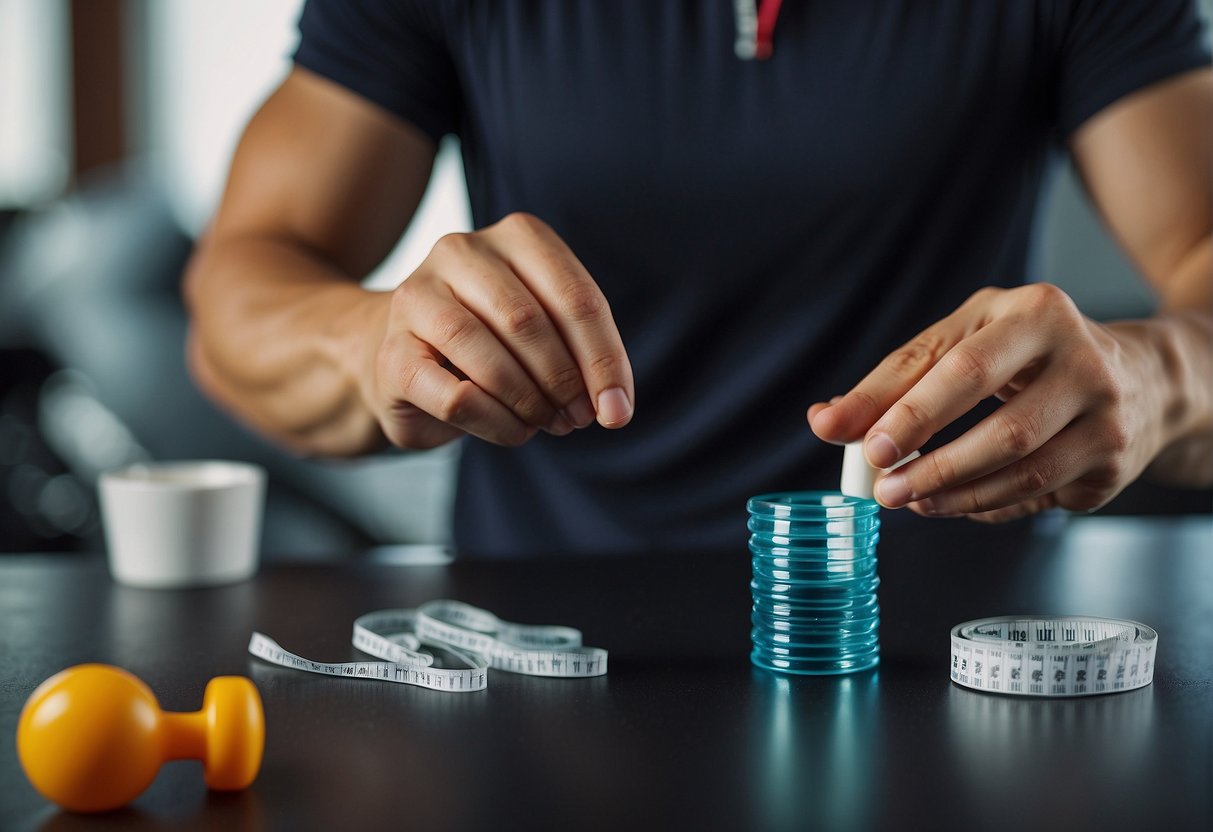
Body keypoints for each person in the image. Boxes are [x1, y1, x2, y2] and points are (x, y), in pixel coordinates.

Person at [183, 1, 1213, 557]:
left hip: (959, 660)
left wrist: (1156, 377)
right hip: (549, 651)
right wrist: (374, 345)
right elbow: (241, 284)